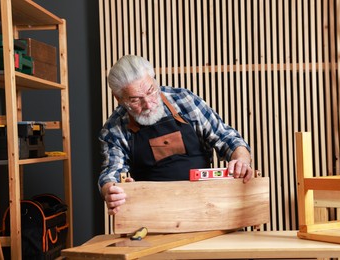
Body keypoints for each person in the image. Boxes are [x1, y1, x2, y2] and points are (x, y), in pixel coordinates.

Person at [99, 55, 253, 215]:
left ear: (154, 79)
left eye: (151, 91)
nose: (148, 104)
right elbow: (112, 172)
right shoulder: (114, 129)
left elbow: (227, 137)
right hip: (154, 215)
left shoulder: (184, 100)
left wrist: (241, 160)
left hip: (207, 206)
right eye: (136, 100)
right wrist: (112, 191)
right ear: (119, 99)